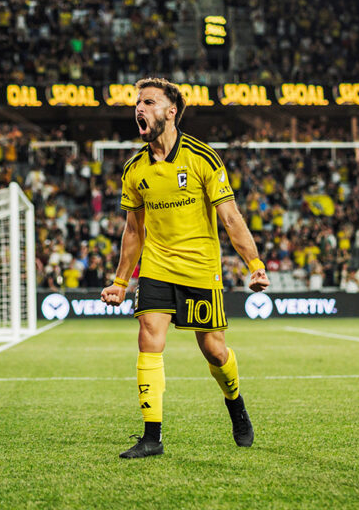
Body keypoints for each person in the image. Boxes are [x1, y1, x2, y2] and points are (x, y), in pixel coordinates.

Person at [100, 77, 269, 460]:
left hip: (199, 267)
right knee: (149, 336)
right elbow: (133, 230)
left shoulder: (202, 158)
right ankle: (151, 437)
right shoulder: (133, 170)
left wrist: (255, 265)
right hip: (157, 266)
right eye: (137, 103)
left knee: (214, 350)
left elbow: (230, 217)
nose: (138, 108)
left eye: (148, 102)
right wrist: (120, 281)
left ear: (170, 111)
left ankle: (236, 405)